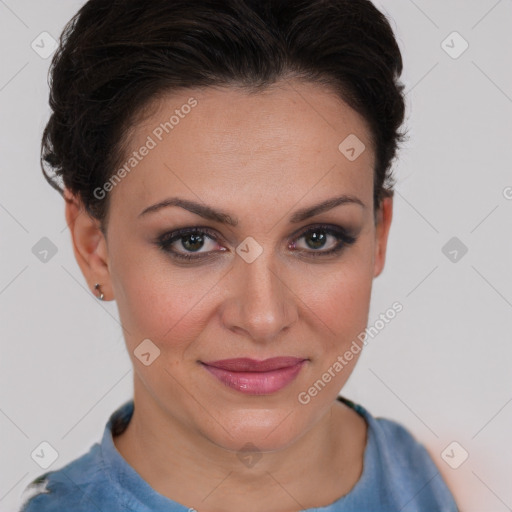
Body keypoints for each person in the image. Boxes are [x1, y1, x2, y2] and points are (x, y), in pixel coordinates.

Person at [20, 0, 459, 510]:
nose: (263, 317)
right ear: (93, 248)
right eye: (193, 241)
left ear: (379, 234)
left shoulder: (453, 475)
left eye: (318, 237)